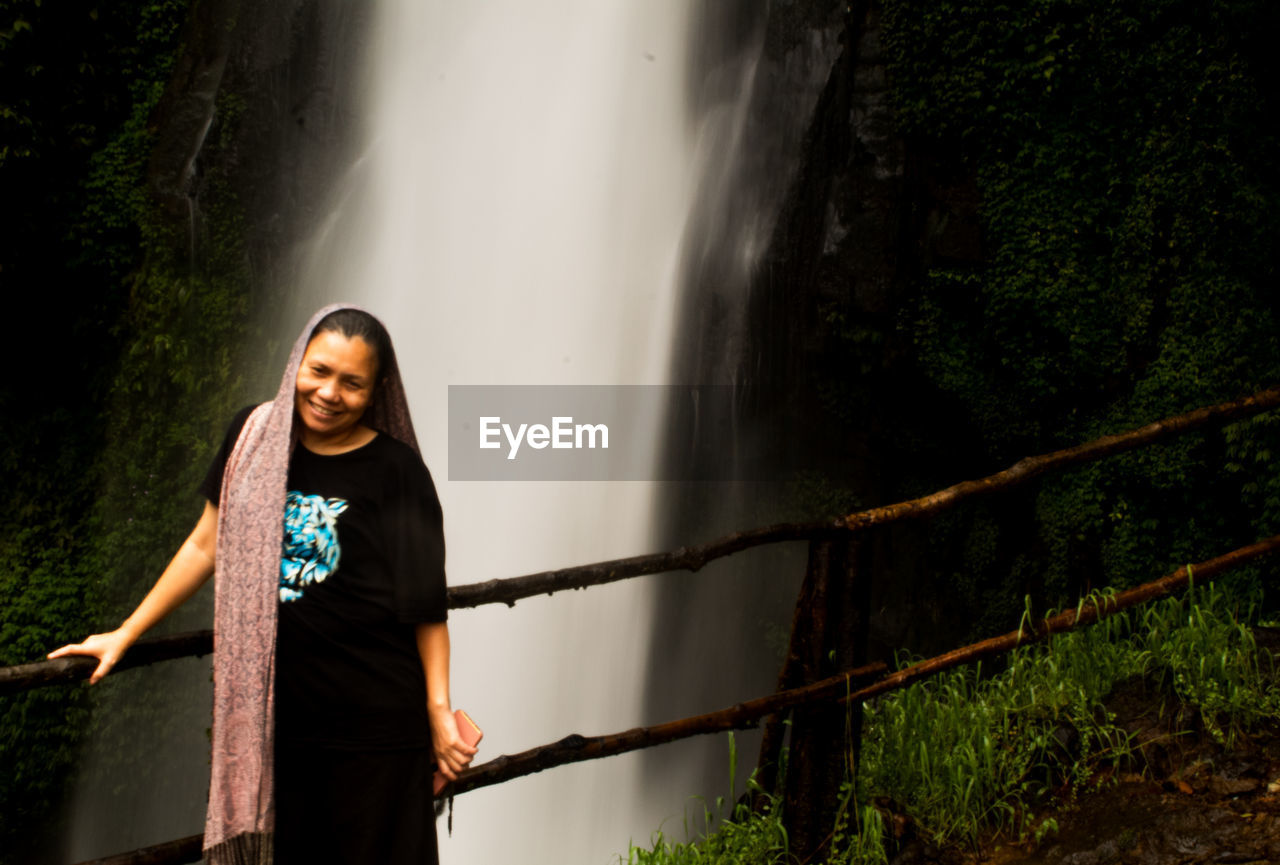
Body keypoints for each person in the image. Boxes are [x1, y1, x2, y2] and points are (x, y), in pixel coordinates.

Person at [49, 304, 476, 865]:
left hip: (374, 727)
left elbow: (425, 607)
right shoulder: (251, 439)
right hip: (279, 728)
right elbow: (207, 542)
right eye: (318, 371)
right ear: (296, 362)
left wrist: (438, 710)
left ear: (375, 392)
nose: (329, 393)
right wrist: (126, 632)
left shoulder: (396, 471)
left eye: (352, 383)